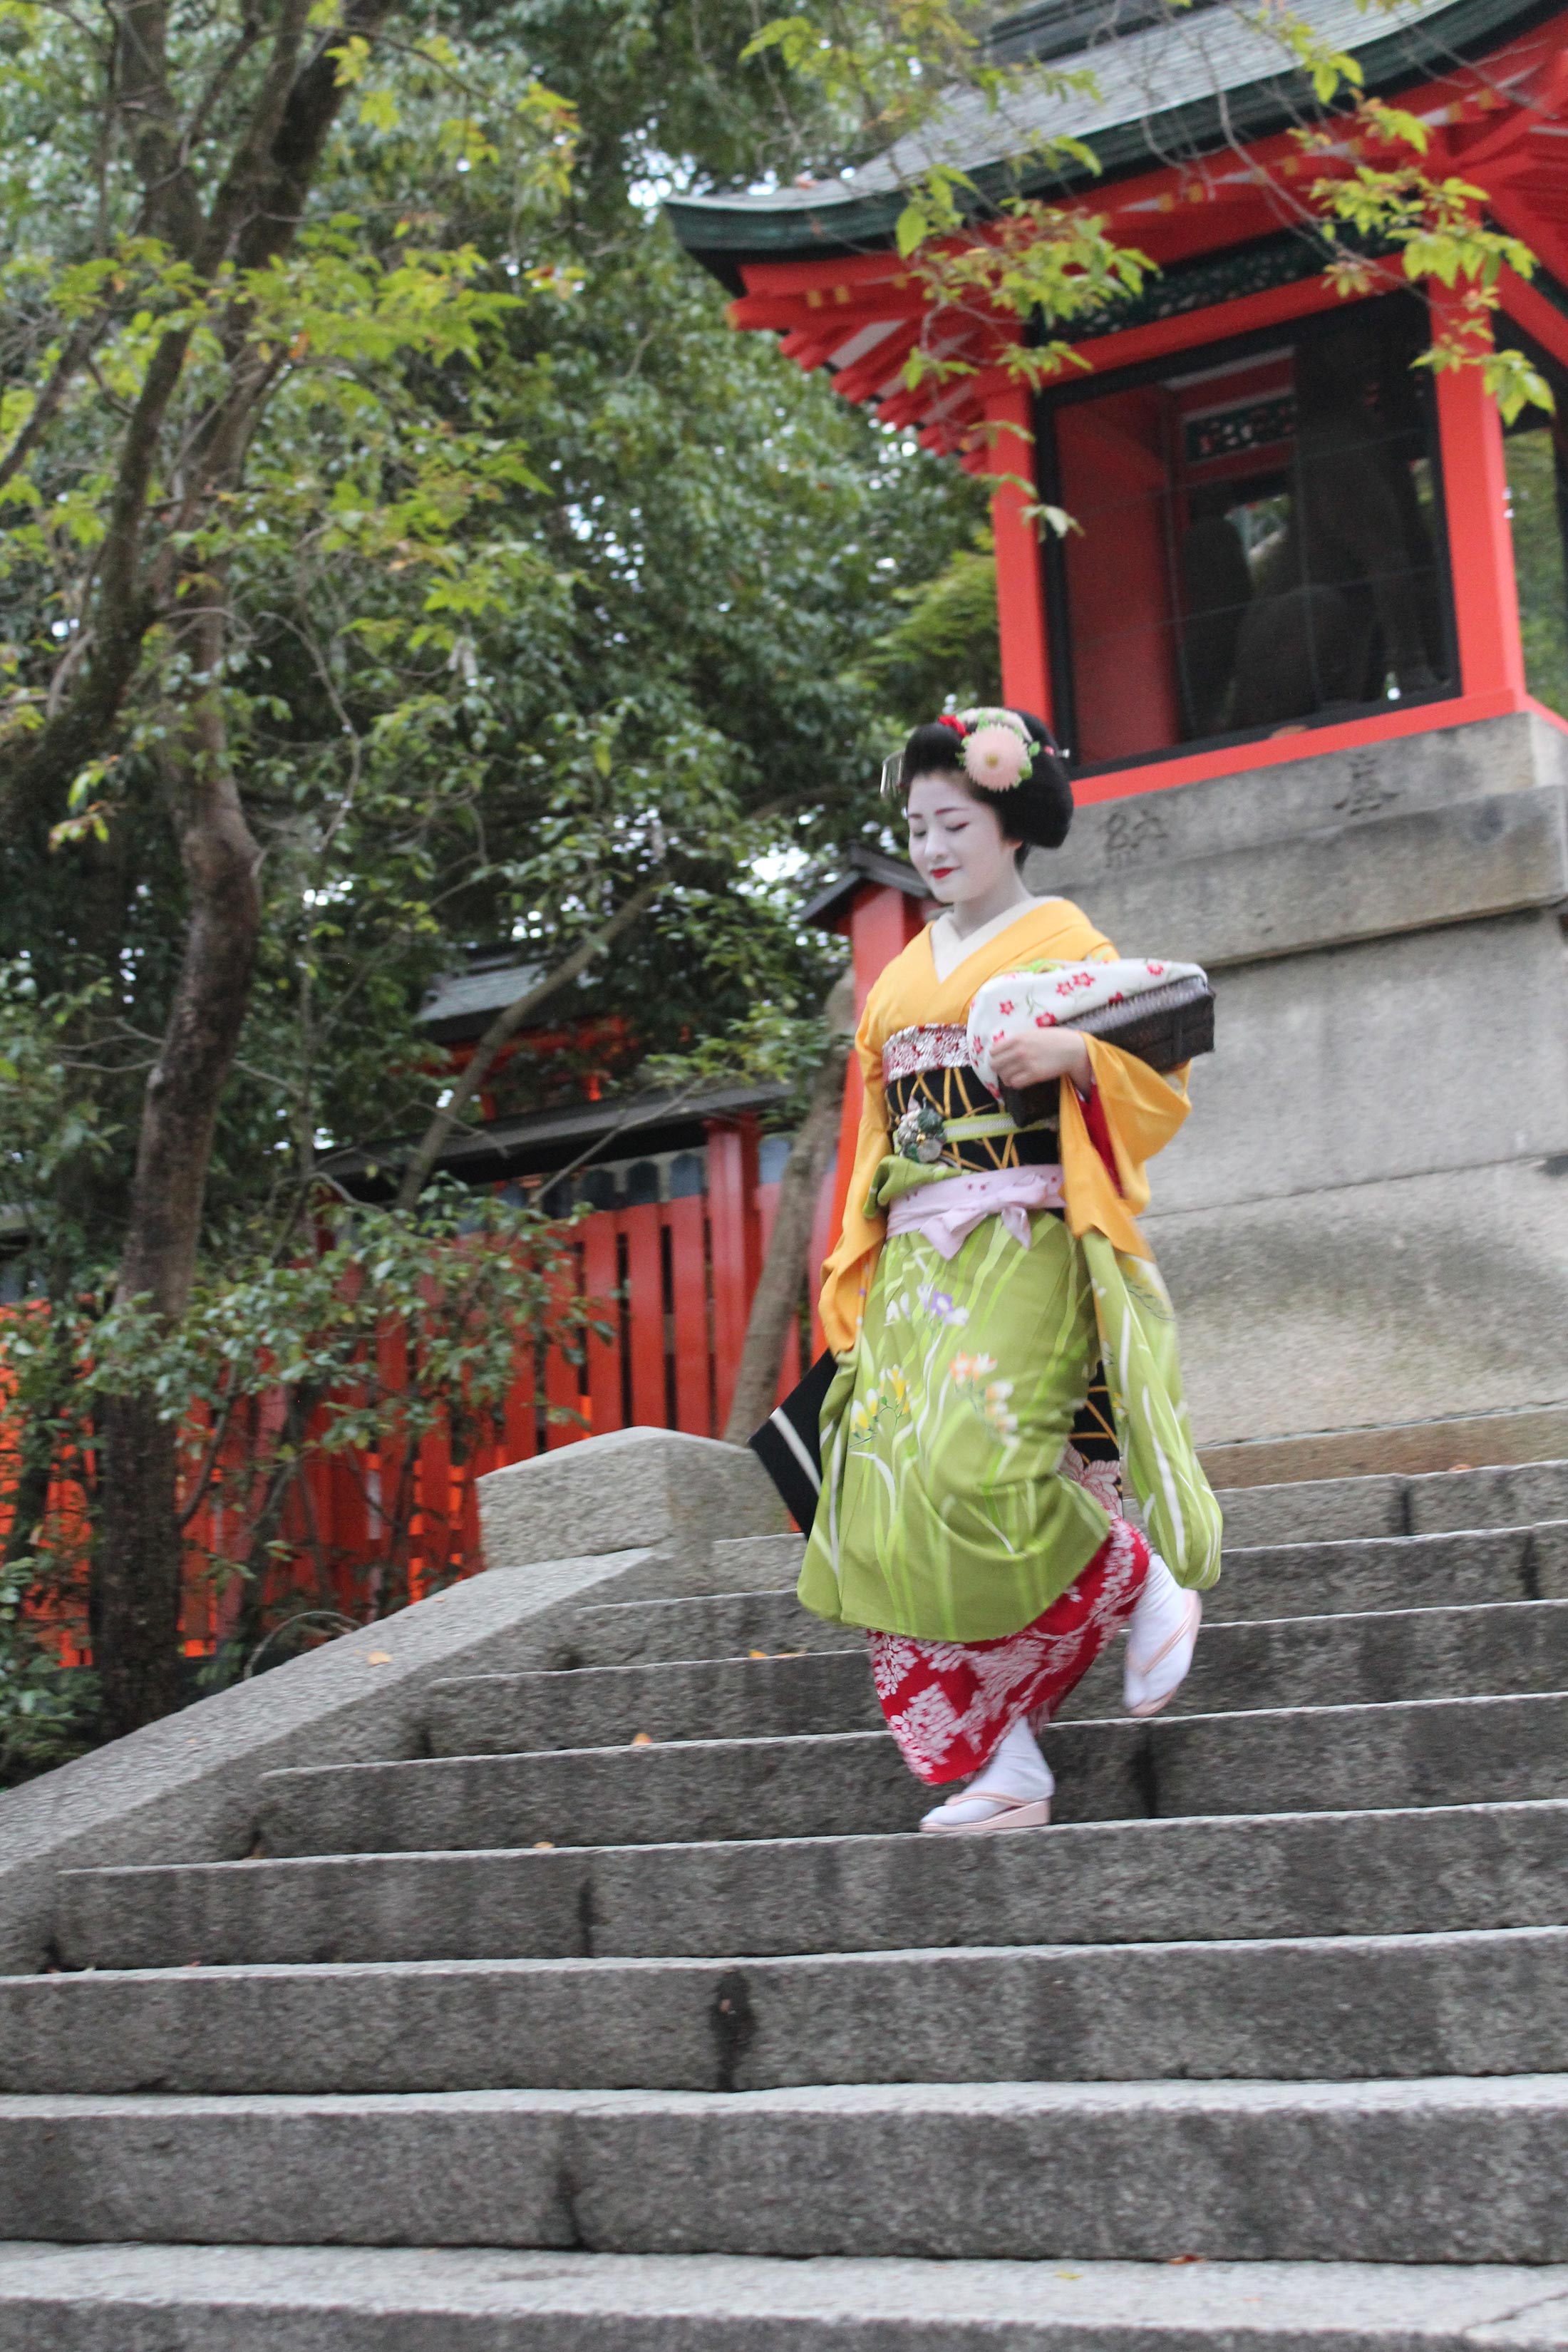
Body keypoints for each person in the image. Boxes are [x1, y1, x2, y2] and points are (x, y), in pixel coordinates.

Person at [797, 706, 1222, 1834]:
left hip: (1026, 1239)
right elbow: (875, 1143)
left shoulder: (1071, 949)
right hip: (912, 1262)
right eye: (917, 827)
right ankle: (1005, 1760)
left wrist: (1075, 1050)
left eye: (953, 823)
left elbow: (1162, 1080)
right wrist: (854, 1267)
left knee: (977, 1464)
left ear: (1011, 825)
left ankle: (1138, 1580)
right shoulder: (892, 986)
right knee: (884, 1507)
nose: (931, 848)